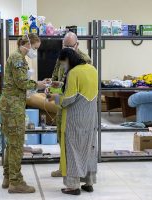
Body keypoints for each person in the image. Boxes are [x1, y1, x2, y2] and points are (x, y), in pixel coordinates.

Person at [0, 33, 46, 194]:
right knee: (17, 145)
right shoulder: (18, 58)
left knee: (11, 144)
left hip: (10, 105)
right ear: (27, 44)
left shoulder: (18, 57)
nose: (35, 52)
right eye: (35, 48)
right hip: (13, 107)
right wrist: (37, 84)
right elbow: (21, 82)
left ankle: (8, 177)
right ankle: (16, 182)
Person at [48, 48, 98, 195]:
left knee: (72, 150)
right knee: (88, 148)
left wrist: (55, 98)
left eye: (63, 64)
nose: (63, 67)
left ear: (68, 60)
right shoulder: (92, 69)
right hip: (90, 117)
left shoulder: (73, 72)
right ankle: (89, 183)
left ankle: (73, 186)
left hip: (75, 118)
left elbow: (69, 99)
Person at [50, 31, 92, 178]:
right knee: (61, 136)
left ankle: (78, 171)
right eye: (65, 46)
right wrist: (53, 84)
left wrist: (63, 86)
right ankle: (64, 168)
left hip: (77, 106)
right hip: (63, 102)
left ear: (77, 44)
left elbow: (81, 83)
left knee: (76, 140)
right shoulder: (62, 57)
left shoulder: (84, 60)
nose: (67, 48)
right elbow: (56, 75)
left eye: (70, 46)